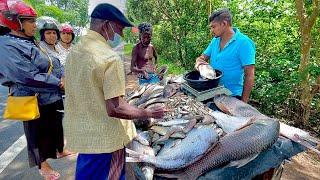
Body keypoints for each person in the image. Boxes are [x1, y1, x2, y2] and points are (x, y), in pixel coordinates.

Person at [63, 3, 165, 180]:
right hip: (106, 140)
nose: (120, 35)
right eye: (119, 28)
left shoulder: (75, 51)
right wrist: (147, 112)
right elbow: (115, 108)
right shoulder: (108, 57)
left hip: (85, 133)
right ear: (106, 24)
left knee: (87, 174)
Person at [0, 1, 70, 179]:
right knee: (36, 133)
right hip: (30, 97)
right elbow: (26, 76)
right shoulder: (6, 44)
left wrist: (60, 78)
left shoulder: (27, 40)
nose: (34, 24)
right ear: (16, 22)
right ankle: (43, 165)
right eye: (30, 20)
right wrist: (58, 83)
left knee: (53, 126)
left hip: (48, 94)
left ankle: (58, 150)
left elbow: (51, 62)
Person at [195, 9, 255, 103]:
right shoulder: (215, 40)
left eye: (213, 27)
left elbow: (249, 75)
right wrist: (199, 63)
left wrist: (243, 103)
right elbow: (202, 57)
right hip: (212, 91)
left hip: (231, 95)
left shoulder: (244, 43)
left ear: (224, 23)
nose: (211, 30)